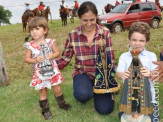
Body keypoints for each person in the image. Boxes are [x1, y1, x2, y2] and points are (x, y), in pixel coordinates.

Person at [56, 1, 116, 115]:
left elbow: (110, 58)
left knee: (105, 110)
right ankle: (86, 87)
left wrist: (111, 81)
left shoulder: (105, 32)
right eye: (85, 20)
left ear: (96, 17)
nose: (89, 24)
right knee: (82, 95)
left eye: (92, 20)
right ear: (79, 17)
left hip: (102, 75)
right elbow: (65, 58)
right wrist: (48, 65)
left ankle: (105, 92)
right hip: (83, 72)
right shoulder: (72, 35)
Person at [23, 17, 71, 120]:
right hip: (40, 73)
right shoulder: (30, 46)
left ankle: (61, 103)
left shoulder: (50, 42)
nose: (34, 32)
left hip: (52, 71)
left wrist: (52, 55)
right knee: (43, 91)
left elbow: (57, 53)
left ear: (45, 30)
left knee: (57, 89)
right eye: (32, 29)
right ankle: (45, 110)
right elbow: (26, 59)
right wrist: (35, 60)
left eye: (37, 29)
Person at [116, 22, 159, 121]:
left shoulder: (151, 56)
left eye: (141, 40)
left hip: (148, 98)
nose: (137, 43)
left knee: (152, 119)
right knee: (124, 118)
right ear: (129, 40)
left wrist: (150, 74)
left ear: (147, 42)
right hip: (129, 98)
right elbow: (118, 73)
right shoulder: (124, 56)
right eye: (134, 40)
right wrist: (122, 74)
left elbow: (156, 76)